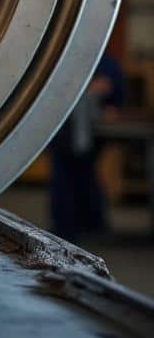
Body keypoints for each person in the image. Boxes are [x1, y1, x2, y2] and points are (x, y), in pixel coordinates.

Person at [47, 52, 125, 242]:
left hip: (85, 136)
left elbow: (115, 89)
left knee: (81, 175)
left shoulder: (103, 61)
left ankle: (87, 224)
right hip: (66, 133)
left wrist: (111, 103)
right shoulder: (61, 58)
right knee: (66, 177)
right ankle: (70, 227)